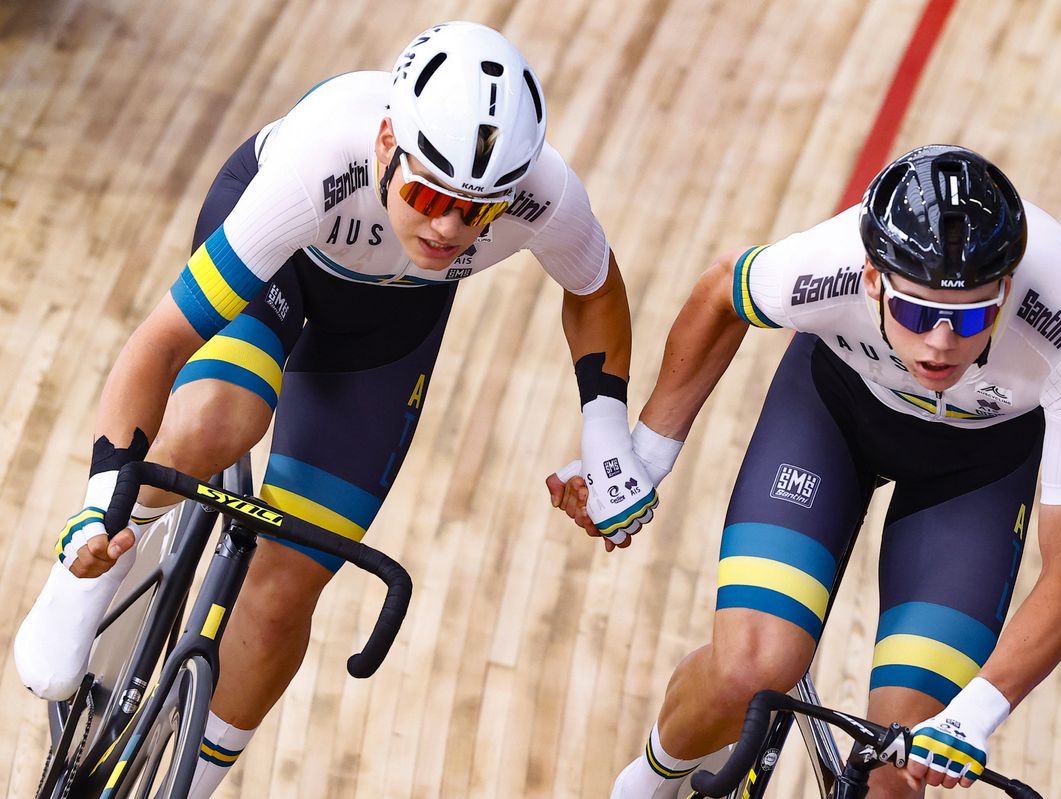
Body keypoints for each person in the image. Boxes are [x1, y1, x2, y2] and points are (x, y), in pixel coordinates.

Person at [14, 20, 661, 797]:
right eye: (426, 193)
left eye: (474, 212)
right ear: (388, 142)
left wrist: (606, 434)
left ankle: (188, 782)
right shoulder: (319, 161)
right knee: (220, 418)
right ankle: (85, 578)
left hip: (385, 330)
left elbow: (595, 289)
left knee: (289, 586)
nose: (445, 228)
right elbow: (157, 345)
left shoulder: (543, 194)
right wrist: (96, 506)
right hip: (281, 265)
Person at [551, 145, 1061, 797]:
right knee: (750, 669)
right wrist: (646, 456)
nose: (937, 342)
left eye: (964, 319)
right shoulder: (833, 265)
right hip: (835, 412)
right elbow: (720, 294)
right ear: (874, 280)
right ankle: (645, 782)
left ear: (1006, 293)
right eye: (913, 312)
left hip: (977, 467)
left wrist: (974, 714)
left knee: (897, 771)